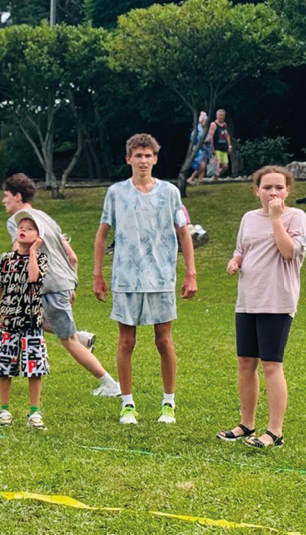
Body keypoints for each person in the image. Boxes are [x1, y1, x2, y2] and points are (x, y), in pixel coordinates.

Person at [93, 134, 197, 425]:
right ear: (128, 159)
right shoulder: (116, 193)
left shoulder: (170, 193)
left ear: (155, 159)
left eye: (148, 155)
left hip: (161, 277)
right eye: (138, 155)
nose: (143, 160)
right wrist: (98, 274)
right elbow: (102, 235)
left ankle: (168, 403)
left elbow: (184, 232)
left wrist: (190, 273)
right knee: (127, 341)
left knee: (163, 340)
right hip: (126, 278)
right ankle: (127, 404)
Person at [217, 166, 306, 448]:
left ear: (288, 190)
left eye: (279, 187)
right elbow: (241, 250)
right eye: (267, 187)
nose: (273, 192)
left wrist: (275, 218)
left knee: (272, 365)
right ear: (256, 190)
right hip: (248, 300)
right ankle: (246, 424)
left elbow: (288, 251)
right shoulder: (248, 218)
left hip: (277, 301)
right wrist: (235, 261)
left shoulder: (296, 217)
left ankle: (275, 432)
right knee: (246, 363)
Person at [1, 174, 120, 399]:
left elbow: (20, 255)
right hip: (63, 282)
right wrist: (71, 284)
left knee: (69, 341)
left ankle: (110, 384)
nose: (3, 201)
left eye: (6, 196)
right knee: (26, 319)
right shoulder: (47, 218)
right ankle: (81, 337)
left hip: (49, 286)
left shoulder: (17, 221)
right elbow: (72, 256)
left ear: (17, 196)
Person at [0, 211, 50, 429]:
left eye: (30, 229)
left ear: (38, 236)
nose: (23, 230)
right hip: (8, 321)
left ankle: (34, 412)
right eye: (21, 227)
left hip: (32, 321)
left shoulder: (41, 259)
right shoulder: (6, 259)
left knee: (35, 368)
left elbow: (33, 277)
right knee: (5, 367)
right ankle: (5, 410)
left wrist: (32, 252)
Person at [186, 111, 212, 186]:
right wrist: (203, 141)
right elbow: (194, 139)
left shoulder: (205, 130)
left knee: (204, 167)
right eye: (205, 122)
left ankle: (200, 181)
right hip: (198, 150)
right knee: (201, 166)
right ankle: (191, 178)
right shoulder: (197, 131)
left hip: (205, 150)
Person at [207, 109, 233, 181]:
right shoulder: (213, 124)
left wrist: (229, 146)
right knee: (218, 163)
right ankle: (216, 178)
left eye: (223, 115)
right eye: (220, 115)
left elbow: (227, 135)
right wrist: (212, 148)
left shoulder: (224, 124)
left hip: (223, 147)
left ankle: (216, 175)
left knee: (225, 165)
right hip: (216, 147)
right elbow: (210, 137)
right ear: (217, 116)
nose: (222, 117)